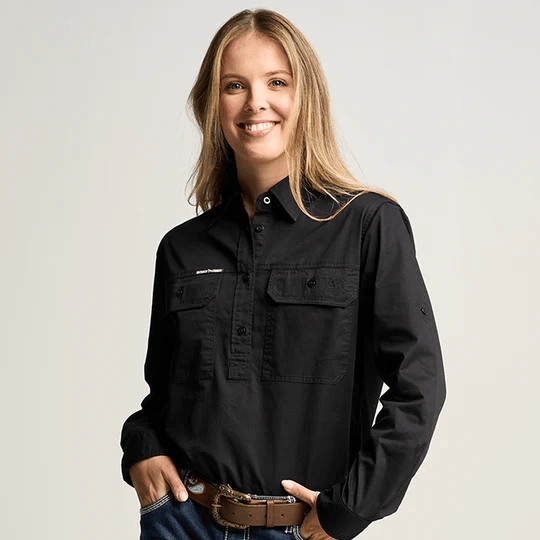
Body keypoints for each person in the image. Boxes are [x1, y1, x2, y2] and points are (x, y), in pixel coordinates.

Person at [120, 8, 447, 540]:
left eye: (277, 82)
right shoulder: (181, 248)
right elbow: (164, 399)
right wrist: (141, 446)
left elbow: (420, 386)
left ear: (305, 97)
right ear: (212, 105)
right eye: (234, 85)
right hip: (182, 522)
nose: (256, 102)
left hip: (300, 529)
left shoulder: (367, 224)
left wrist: (349, 510)